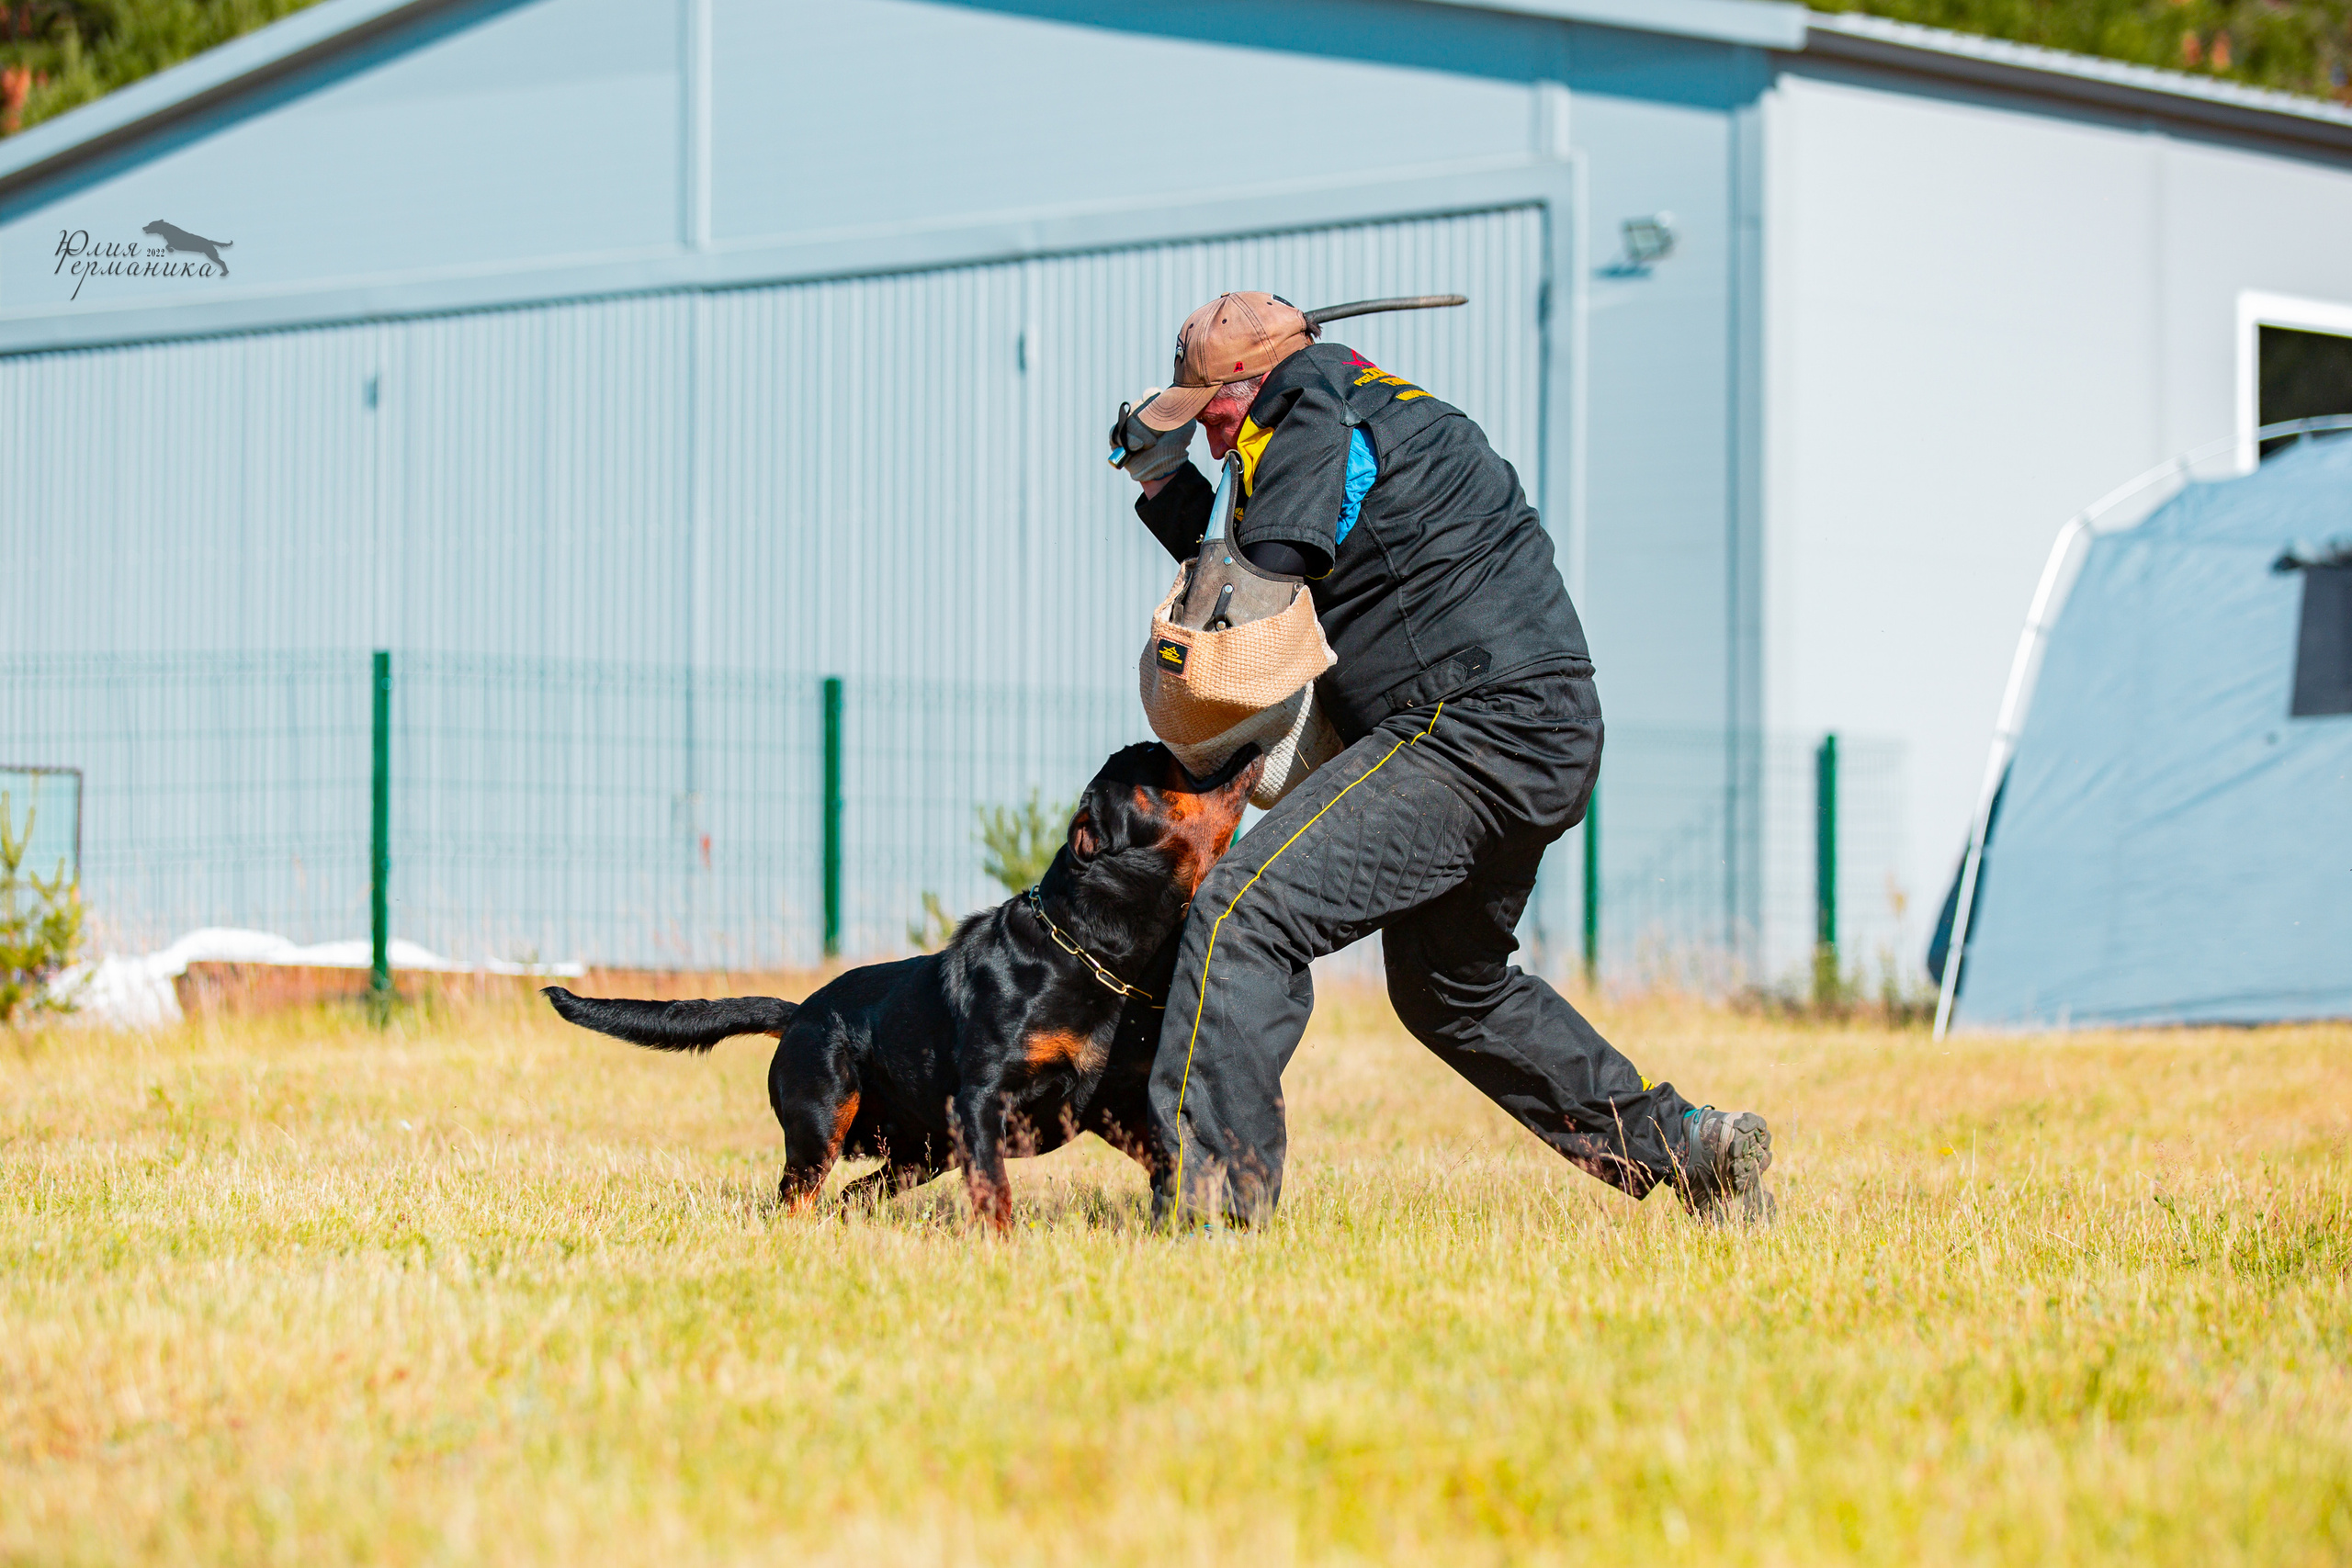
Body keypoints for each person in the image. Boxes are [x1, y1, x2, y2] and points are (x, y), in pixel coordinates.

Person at [1110, 290, 1774, 1226]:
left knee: (1242, 915)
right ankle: (1690, 1148)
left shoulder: (1305, 402)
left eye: (1209, 414)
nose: (1212, 439)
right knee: (1450, 991)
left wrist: (1161, 489)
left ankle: (1212, 1212)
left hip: (1465, 728)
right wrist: (1162, 484)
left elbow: (1256, 590)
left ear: (1248, 383)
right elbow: (1298, 544)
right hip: (1545, 728)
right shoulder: (1377, 402)